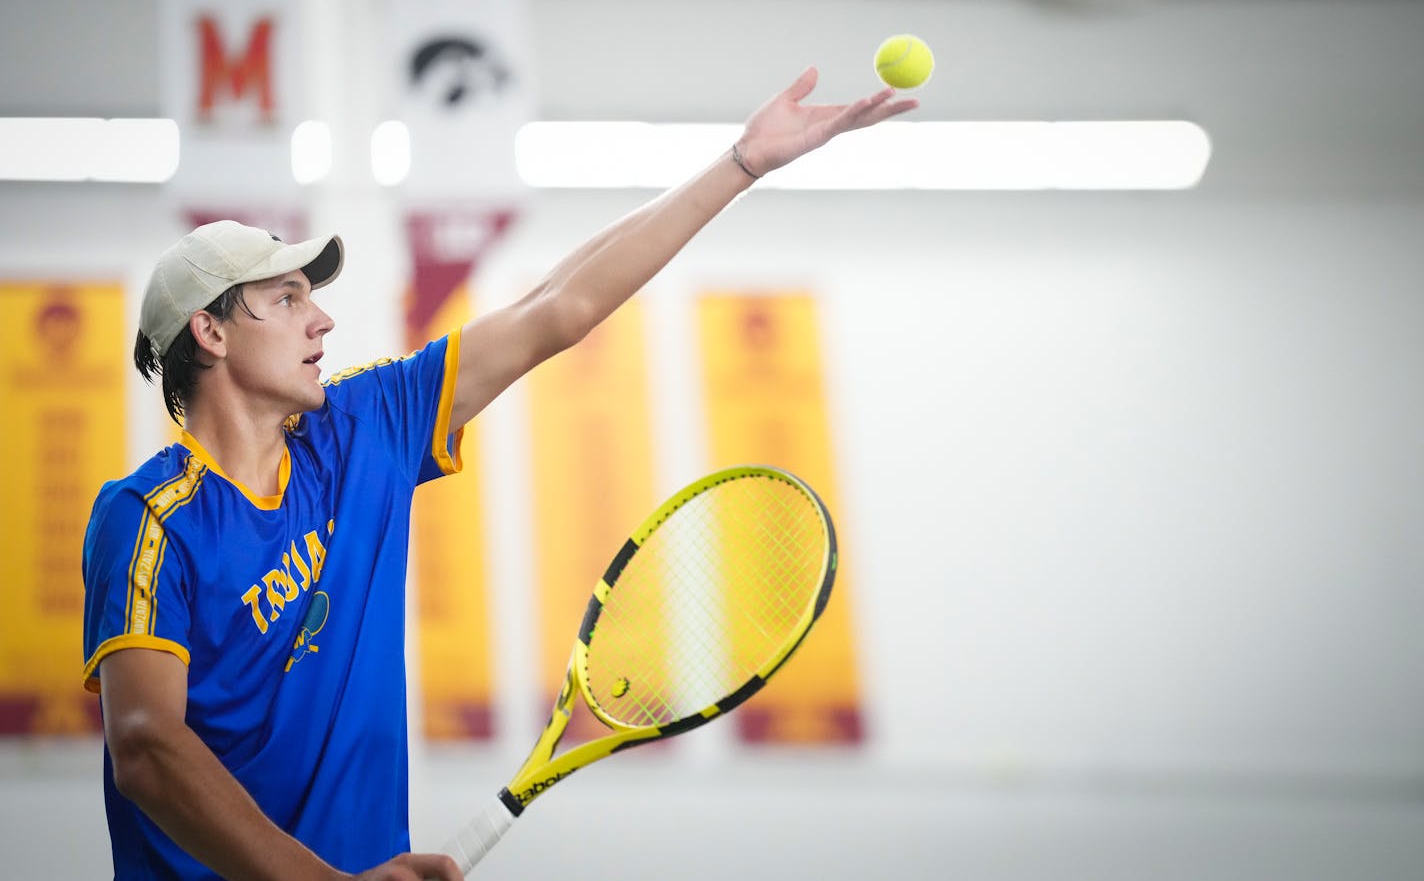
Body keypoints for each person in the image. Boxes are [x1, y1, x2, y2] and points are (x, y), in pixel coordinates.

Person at [81, 67, 916, 880]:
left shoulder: (364, 427)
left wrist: (740, 164)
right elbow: (149, 749)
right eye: (290, 297)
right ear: (212, 333)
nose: (322, 317)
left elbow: (556, 304)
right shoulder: (147, 518)